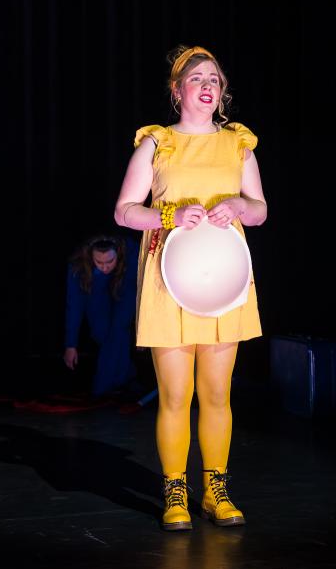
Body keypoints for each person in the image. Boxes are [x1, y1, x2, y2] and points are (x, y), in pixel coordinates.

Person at [114, 45, 267, 531]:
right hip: (170, 281)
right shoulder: (157, 143)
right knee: (176, 395)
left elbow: (260, 209)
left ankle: (216, 490)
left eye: (215, 79)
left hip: (225, 280)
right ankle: (175, 491)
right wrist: (169, 214)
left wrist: (239, 207)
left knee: (217, 394)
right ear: (177, 90)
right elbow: (124, 211)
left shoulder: (238, 144)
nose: (207, 84)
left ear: (222, 93)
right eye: (197, 78)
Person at [63, 234, 140, 398]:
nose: (105, 267)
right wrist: (71, 345)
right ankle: (125, 377)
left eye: (109, 261)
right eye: (99, 262)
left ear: (118, 254)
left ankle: (106, 388)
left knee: (119, 328)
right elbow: (74, 306)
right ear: (91, 257)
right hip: (96, 289)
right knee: (101, 331)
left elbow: (140, 293)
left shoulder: (130, 255)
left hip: (125, 284)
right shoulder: (79, 266)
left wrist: (144, 329)